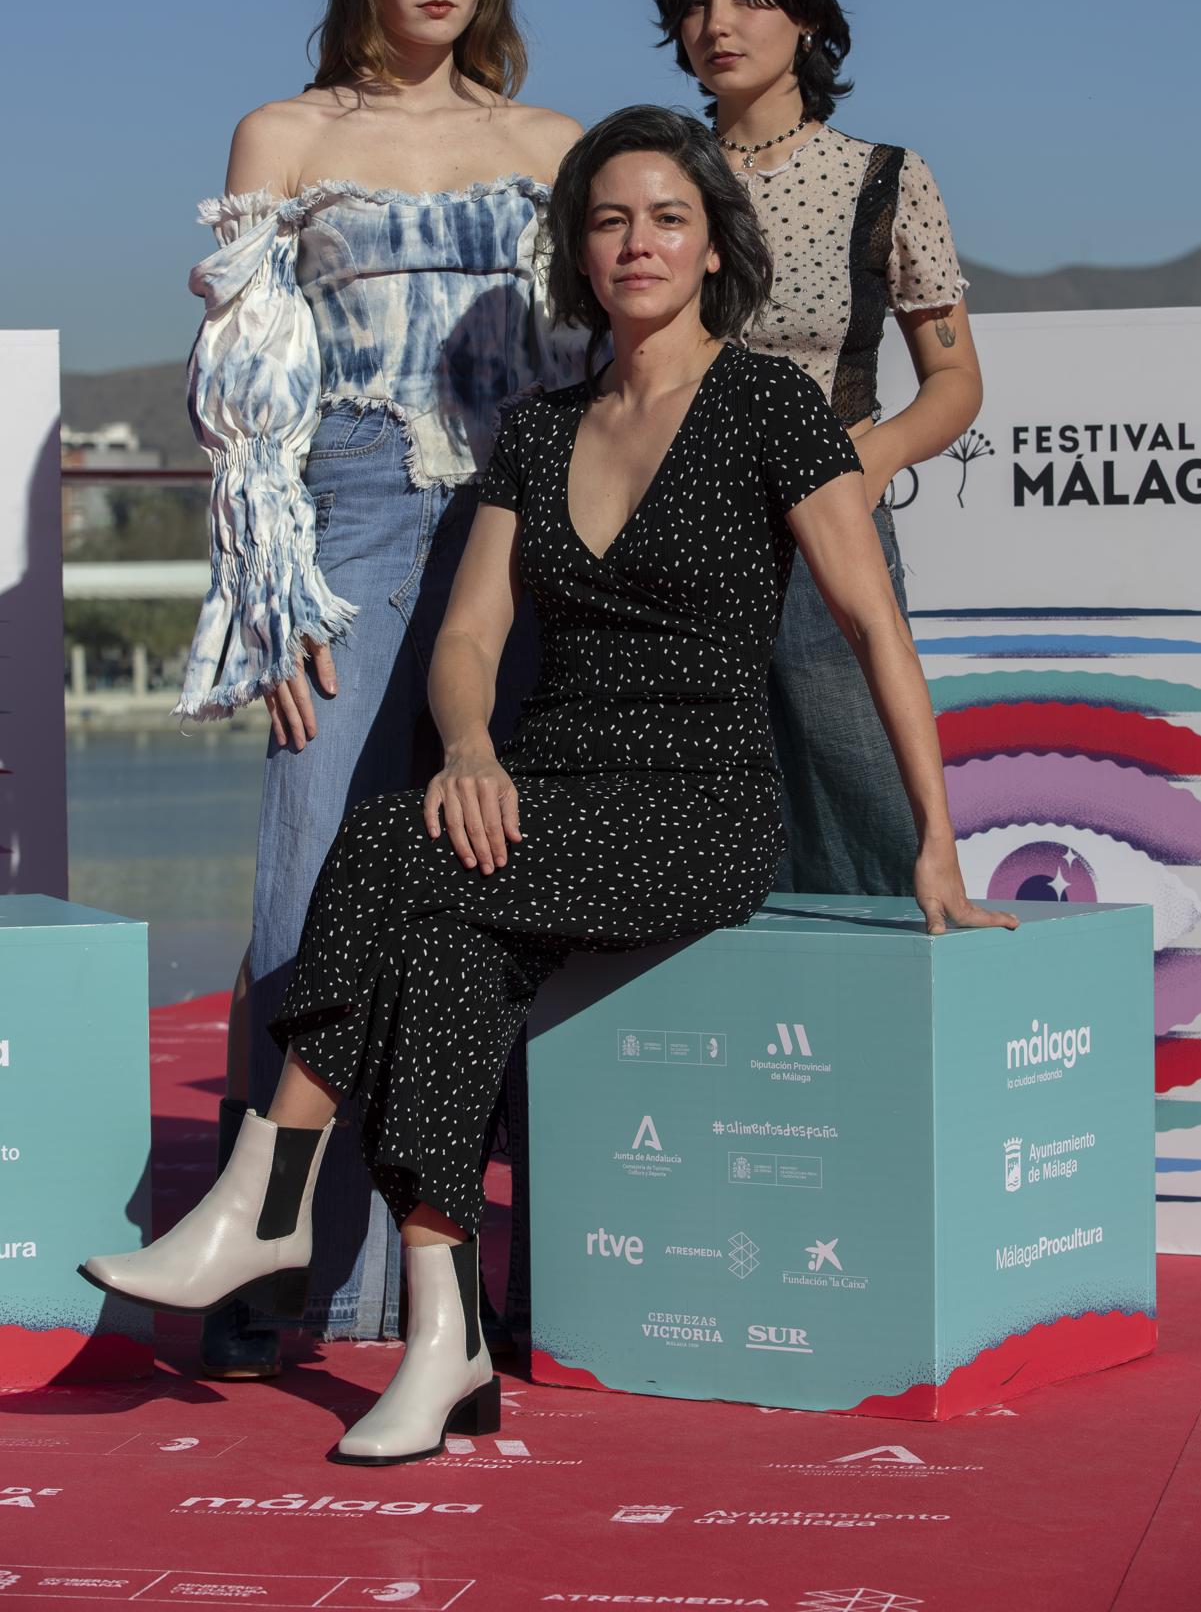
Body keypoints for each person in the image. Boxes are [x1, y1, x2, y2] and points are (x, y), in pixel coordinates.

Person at [83, 106, 1017, 1465]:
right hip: (543, 792)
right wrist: (468, 747)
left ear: (712, 250)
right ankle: (444, 1332)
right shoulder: (540, 427)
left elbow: (875, 627)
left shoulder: (770, 405)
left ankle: (268, 1192)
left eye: (667, 219)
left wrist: (937, 840)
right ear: (577, 253)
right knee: (452, 947)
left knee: (393, 847)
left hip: (695, 806)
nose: (636, 242)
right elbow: (467, 639)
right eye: (608, 219)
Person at [175, 0, 585, 1378]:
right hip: (342, 514)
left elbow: (605, 356)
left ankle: (519, 1278)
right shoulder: (284, 134)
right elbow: (240, 394)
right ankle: (292, 1282)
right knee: (306, 885)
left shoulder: (553, 139)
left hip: (515, 528)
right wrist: (270, 596)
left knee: (504, 891)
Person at [655, 0, 983, 896]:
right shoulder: (652, 177)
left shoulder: (881, 178)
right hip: (671, 539)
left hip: (824, 533)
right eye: (695, 1)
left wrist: (861, 464)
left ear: (805, 14)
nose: (718, 24)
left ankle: (890, 1029)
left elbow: (954, 382)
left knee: (863, 809)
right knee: (685, 822)